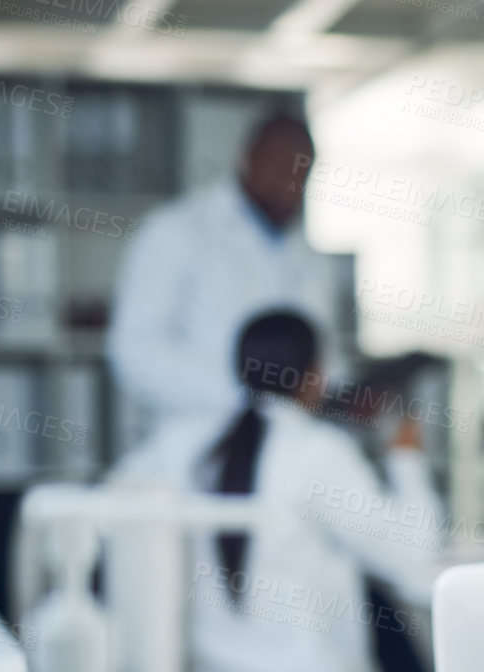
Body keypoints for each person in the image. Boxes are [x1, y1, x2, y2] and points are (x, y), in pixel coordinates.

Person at [114, 311, 441, 672]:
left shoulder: (179, 444)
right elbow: (411, 558)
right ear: (315, 376)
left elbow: (113, 503)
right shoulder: (319, 453)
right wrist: (406, 457)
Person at [108, 113, 343, 435]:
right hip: (199, 440)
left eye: (303, 171)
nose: (291, 182)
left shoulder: (313, 258)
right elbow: (136, 351)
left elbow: (322, 356)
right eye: (281, 166)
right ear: (246, 157)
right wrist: (246, 396)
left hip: (287, 447)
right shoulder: (176, 231)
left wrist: (342, 393)